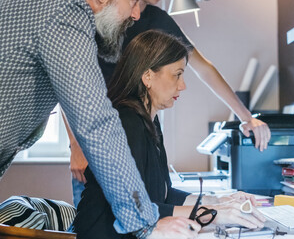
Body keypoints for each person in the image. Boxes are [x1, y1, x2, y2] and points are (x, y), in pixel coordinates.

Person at [0, 0, 199, 238]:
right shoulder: (66, 12)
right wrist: (145, 222)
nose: (134, 15)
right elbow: (95, 121)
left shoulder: (49, 2)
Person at [68, 0, 272, 205]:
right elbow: (69, 84)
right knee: (98, 221)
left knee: (151, 209)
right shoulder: (97, 16)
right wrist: (76, 146)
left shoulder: (157, 20)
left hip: (141, 132)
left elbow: (203, 68)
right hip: (95, 137)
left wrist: (247, 117)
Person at [74, 30, 266, 238]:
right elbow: (137, 207)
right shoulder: (126, 122)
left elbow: (165, 195)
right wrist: (214, 214)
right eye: (177, 74)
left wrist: (218, 201)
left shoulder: (150, 120)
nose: (182, 86)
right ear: (148, 76)